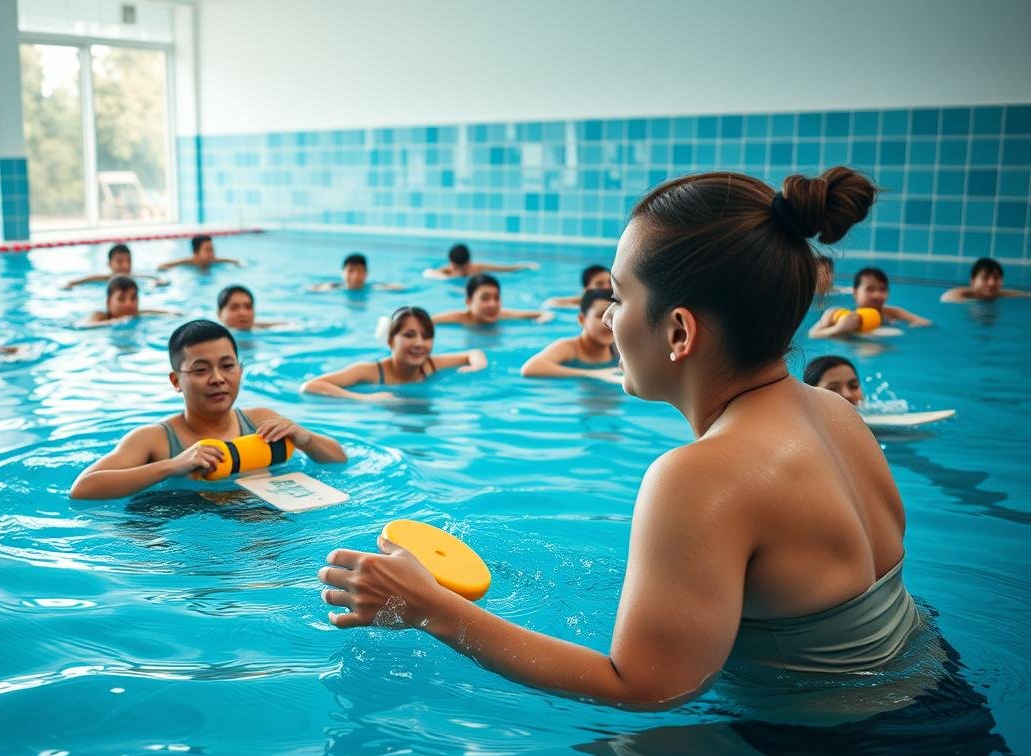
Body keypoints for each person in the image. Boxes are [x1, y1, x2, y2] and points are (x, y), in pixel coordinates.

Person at [321, 166, 933, 716]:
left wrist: (432, 608)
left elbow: (645, 688)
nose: (609, 318)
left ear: (679, 329)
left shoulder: (699, 477)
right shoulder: (837, 415)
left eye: (620, 295)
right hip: (940, 696)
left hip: (842, 748)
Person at [70, 320, 347, 498]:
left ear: (240, 370)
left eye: (227, 366)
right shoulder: (154, 439)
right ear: (176, 381)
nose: (217, 378)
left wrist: (305, 439)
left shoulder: (262, 422)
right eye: (201, 369)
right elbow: (83, 488)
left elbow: (338, 459)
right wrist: (171, 466)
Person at [300, 306, 488, 400]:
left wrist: (477, 365)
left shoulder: (430, 365)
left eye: (426, 336)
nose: (419, 343)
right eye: (409, 335)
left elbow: (474, 352)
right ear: (391, 340)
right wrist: (366, 399)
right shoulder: (369, 372)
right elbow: (311, 386)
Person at [521, 289, 620, 379]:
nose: (609, 322)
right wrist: (591, 374)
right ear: (582, 319)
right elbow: (531, 368)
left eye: (615, 316)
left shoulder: (620, 350)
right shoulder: (571, 348)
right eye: (600, 316)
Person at [809, 267, 931, 338]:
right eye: (870, 289)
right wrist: (839, 328)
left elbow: (925, 323)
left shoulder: (892, 313)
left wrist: (903, 328)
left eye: (882, 289)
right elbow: (813, 334)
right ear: (855, 292)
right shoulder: (834, 313)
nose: (877, 295)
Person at [431, 274, 553, 325]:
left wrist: (541, 321)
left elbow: (545, 313)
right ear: (468, 301)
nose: (493, 304)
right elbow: (428, 322)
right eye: (485, 298)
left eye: (497, 298)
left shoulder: (503, 315)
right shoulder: (459, 318)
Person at [81, 277, 179, 327]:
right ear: (108, 303)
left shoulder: (134, 314)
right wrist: (115, 321)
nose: (129, 304)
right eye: (122, 299)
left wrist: (171, 313)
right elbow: (85, 326)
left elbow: (147, 312)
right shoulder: (99, 316)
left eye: (133, 298)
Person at [63, 243, 167, 290]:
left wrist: (155, 283)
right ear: (109, 264)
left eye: (128, 261)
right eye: (120, 262)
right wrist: (70, 284)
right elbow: (75, 282)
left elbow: (159, 280)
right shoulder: (103, 279)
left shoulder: (136, 277)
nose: (125, 266)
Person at [423, 243, 537, 279]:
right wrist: (448, 277)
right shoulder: (447, 271)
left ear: (469, 263)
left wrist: (525, 265)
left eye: (461, 268)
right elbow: (428, 272)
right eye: (454, 267)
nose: (456, 270)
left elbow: (506, 269)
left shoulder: (478, 268)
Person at [940, 258, 1029, 302]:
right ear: (973, 281)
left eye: (997, 278)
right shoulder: (958, 295)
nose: (992, 283)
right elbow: (947, 297)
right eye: (985, 278)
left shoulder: (999, 294)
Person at [309, 253, 404, 292]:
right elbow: (311, 288)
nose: (355, 275)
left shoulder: (374, 287)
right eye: (350, 271)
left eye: (359, 271)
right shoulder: (332, 287)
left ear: (366, 273)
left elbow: (400, 287)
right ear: (342, 272)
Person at [216, 285, 286, 331]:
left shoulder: (258, 330)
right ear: (219, 314)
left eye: (248, 307)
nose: (243, 313)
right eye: (234, 307)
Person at [544, 264, 612, 308]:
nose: (607, 287)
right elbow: (550, 302)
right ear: (586, 289)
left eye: (610, 283)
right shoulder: (582, 303)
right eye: (599, 284)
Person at [157, 235, 241, 270]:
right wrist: (173, 271)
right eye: (208, 250)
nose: (212, 254)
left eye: (213, 250)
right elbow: (161, 266)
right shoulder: (187, 262)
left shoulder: (215, 260)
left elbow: (236, 262)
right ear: (195, 252)